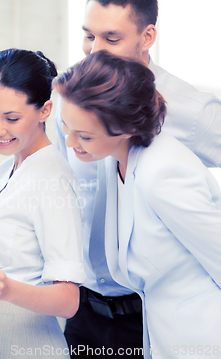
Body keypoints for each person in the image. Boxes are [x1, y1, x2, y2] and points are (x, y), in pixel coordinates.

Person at [55, 1, 221, 357]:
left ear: (147, 37)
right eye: (88, 36)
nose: (95, 51)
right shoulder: (108, 141)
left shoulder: (164, 165)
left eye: (111, 38)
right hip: (112, 314)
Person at [0, 49, 85, 359]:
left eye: (11, 118)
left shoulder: (52, 177)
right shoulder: (7, 169)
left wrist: (7, 289)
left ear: (45, 110)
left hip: (32, 346)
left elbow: (69, 300)